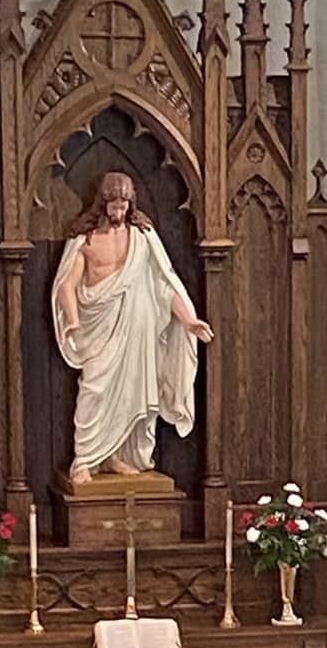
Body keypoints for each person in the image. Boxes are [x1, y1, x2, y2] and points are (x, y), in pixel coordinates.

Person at [50, 170, 214, 486]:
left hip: (137, 335)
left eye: (124, 205)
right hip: (98, 331)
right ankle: (84, 459)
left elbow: (163, 287)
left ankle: (114, 456)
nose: (119, 211)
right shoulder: (84, 240)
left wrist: (188, 320)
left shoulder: (142, 238)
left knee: (133, 394)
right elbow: (66, 286)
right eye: (113, 205)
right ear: (102, 203)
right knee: (94, 390)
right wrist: (72, 319)